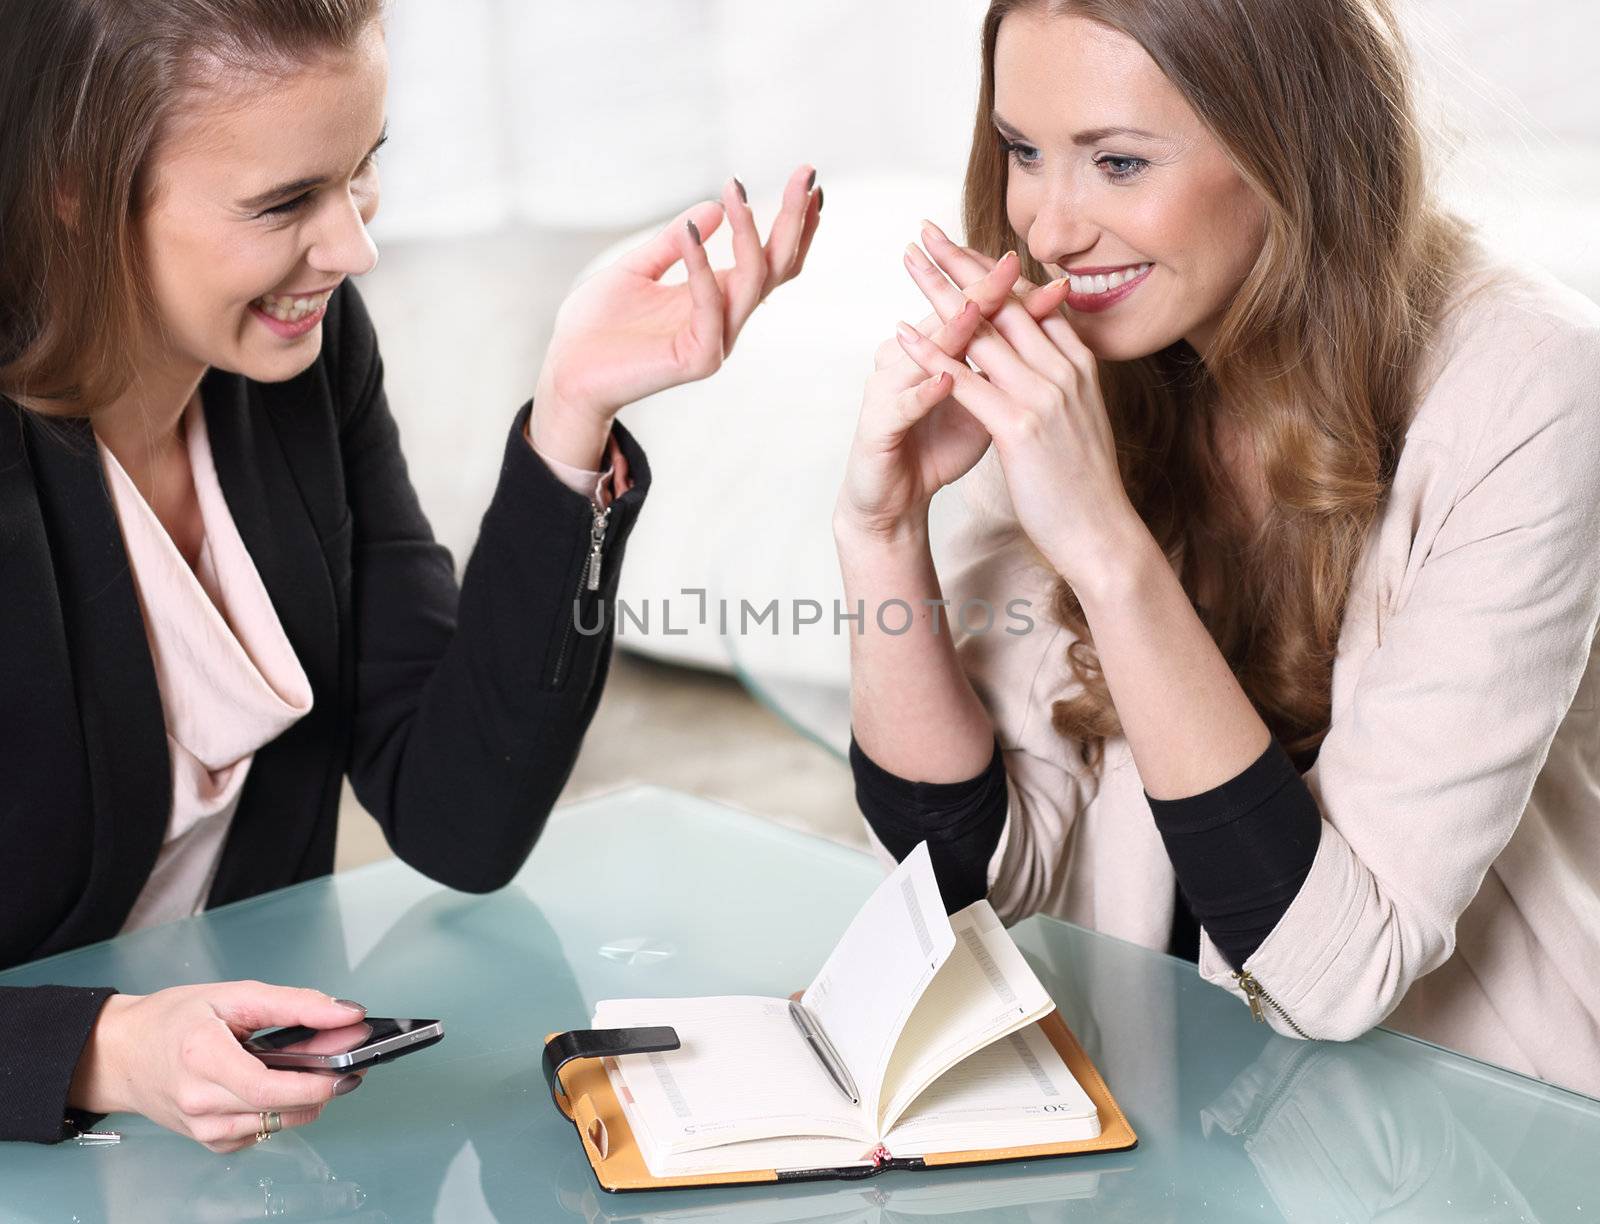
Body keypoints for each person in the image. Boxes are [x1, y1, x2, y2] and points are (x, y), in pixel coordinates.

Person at [0, 0, 821, 1149]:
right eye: (284, 202)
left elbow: (459, 819)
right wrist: (100, 1050)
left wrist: (573, 415)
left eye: (362, 171)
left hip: (235, 1147)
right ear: (70, 188)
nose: (353, 248)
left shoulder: (301, 365)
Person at [836, 0, 1600, 1096]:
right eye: (1023, 152)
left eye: (1116, 161)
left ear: (1287, 145)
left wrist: (1104, 546)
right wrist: (881, 534)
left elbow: (1336, 978)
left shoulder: (1534, 382)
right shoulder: (1096, 363)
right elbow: (972, 878)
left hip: (1460, 1118)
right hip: (1159, 1093)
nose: (1049, 229)